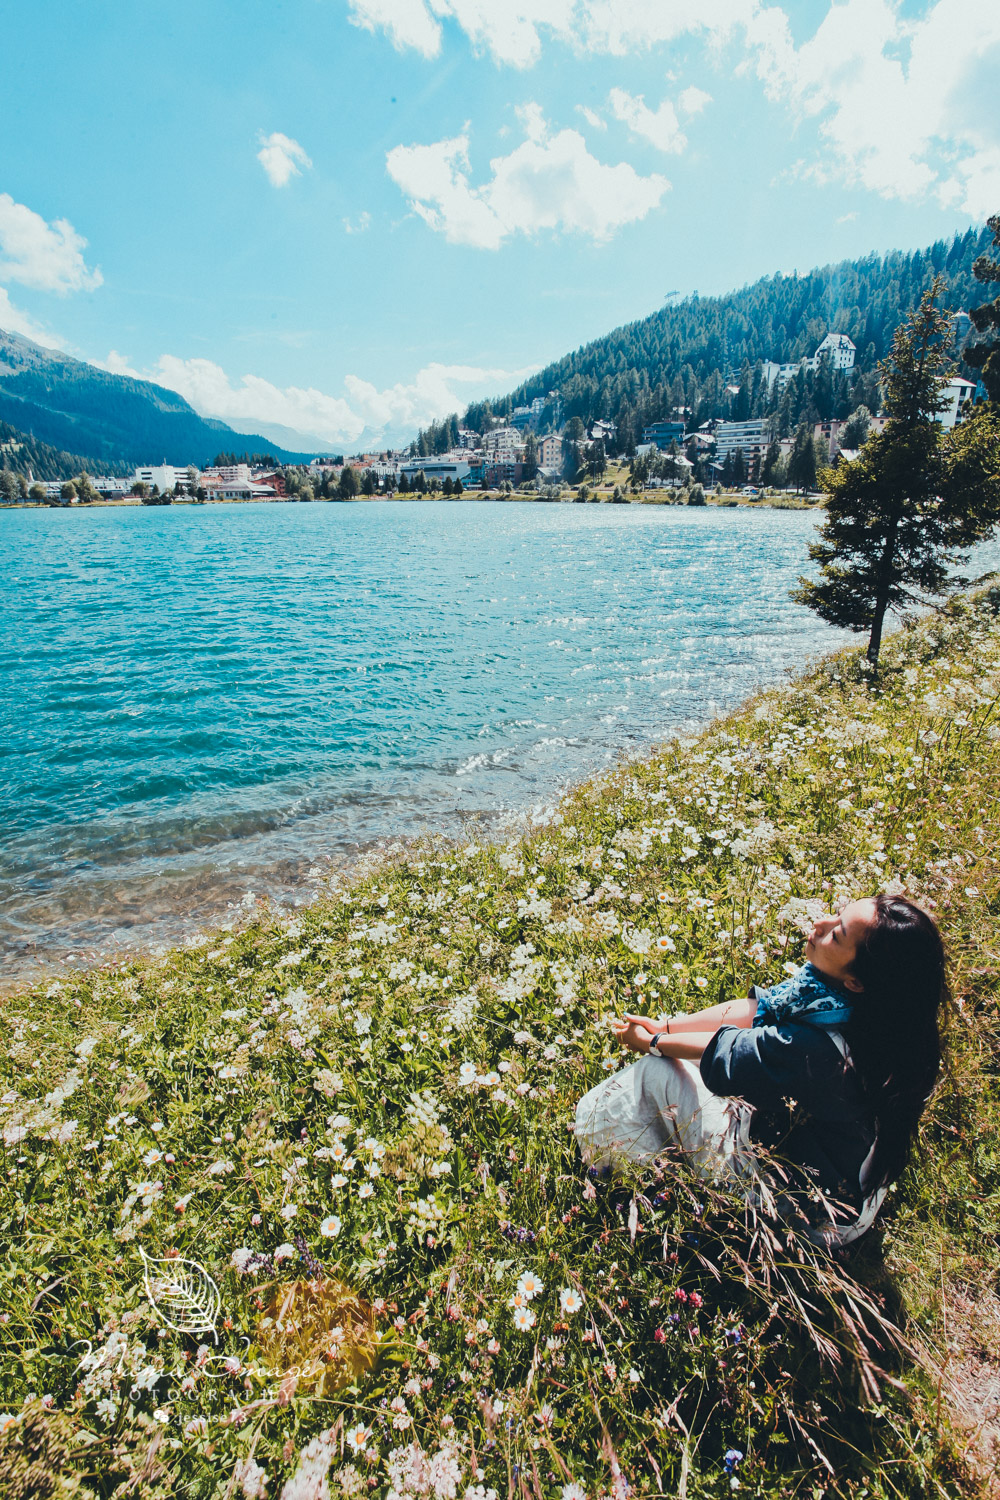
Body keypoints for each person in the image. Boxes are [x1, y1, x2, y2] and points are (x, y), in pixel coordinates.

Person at [574, 895, 947, 1246]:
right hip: (852, 1192)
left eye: (837, 934)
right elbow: (757, 1012)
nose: (820, 924)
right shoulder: (880, 1019)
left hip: (806, 1216)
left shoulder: (817, 1052)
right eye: (836, 915)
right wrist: (665, 1026)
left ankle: (608, 1163)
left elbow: (724, 1052)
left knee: (659, 1073)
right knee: (689, 1066)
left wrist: (652, 1044)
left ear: (857, 980)